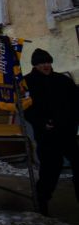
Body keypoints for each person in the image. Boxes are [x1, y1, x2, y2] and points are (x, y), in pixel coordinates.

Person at [25, 48, 79, 215]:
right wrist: (41, 123)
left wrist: (74, 121)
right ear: (35, 65)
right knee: (50, 170)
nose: (46, 65)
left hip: (68, 133)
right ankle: (42, 204)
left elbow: (76, 102)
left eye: (48, 62)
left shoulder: (63, 80)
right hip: (47, 136)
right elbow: (26, 110)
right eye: (42, 63)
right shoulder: (27, 82)